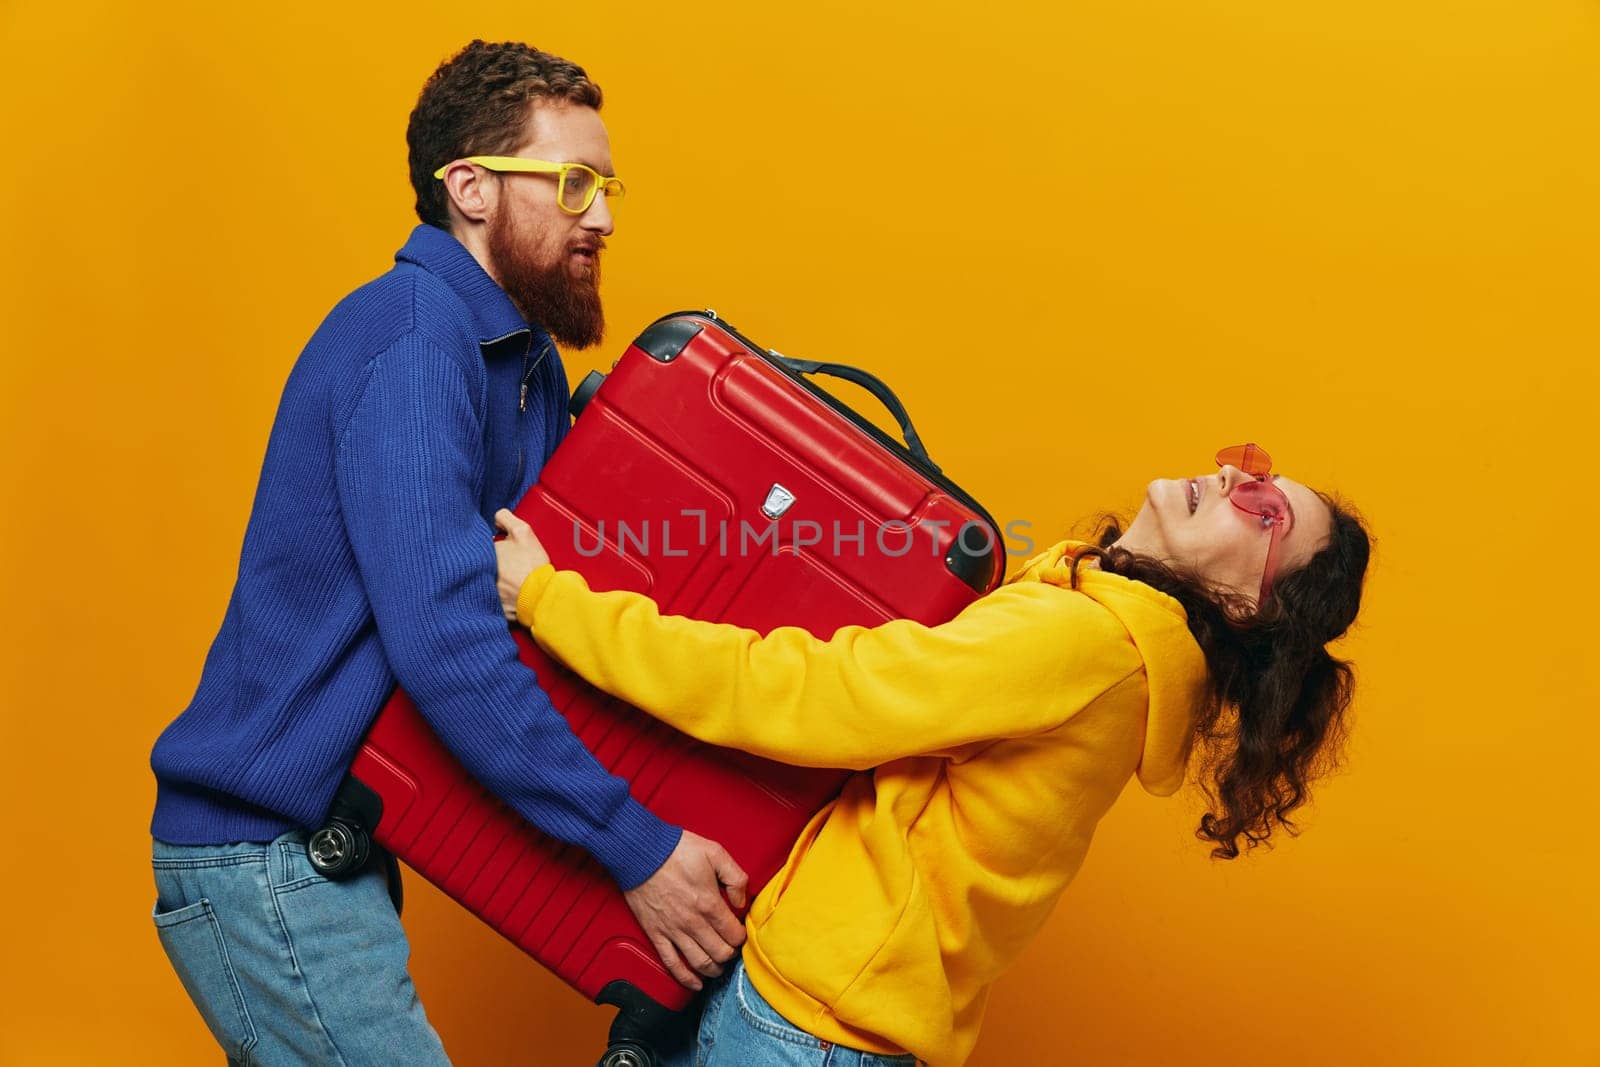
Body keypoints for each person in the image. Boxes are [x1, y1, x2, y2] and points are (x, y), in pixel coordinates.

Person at [148, 40, 747, 1064]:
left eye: (606, 186)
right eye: (572, 182)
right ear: (469, 188)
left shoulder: (519, 360)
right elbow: (450, 643)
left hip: (329, 845)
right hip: (263, 854)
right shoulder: (418, 340)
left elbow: (549, 594)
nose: (600, 214)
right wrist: (638, 846)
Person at [491, 443, 1372, 1067]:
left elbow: (809, 694)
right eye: (1250, 465)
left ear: (1251, 609)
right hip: (825, 1013)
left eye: (1262, 508)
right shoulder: (1107, 633)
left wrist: (552, 602)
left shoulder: (1088, 643)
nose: (1230, 476)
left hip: (810, 1028)